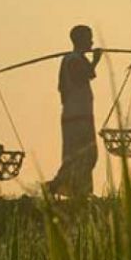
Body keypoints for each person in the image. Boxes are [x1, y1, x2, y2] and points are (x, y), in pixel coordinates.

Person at [45, 25, 102, 197]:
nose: (91, 41)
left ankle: (81, 191)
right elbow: (82, 77)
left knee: (86, 155)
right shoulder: (73, 60)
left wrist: (91, 62)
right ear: (80, 40)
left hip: (82, 114)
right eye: (88, 38)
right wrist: (95, 61)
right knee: (79, 155)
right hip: (76, 116)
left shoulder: (76, 59)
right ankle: (56, 185)